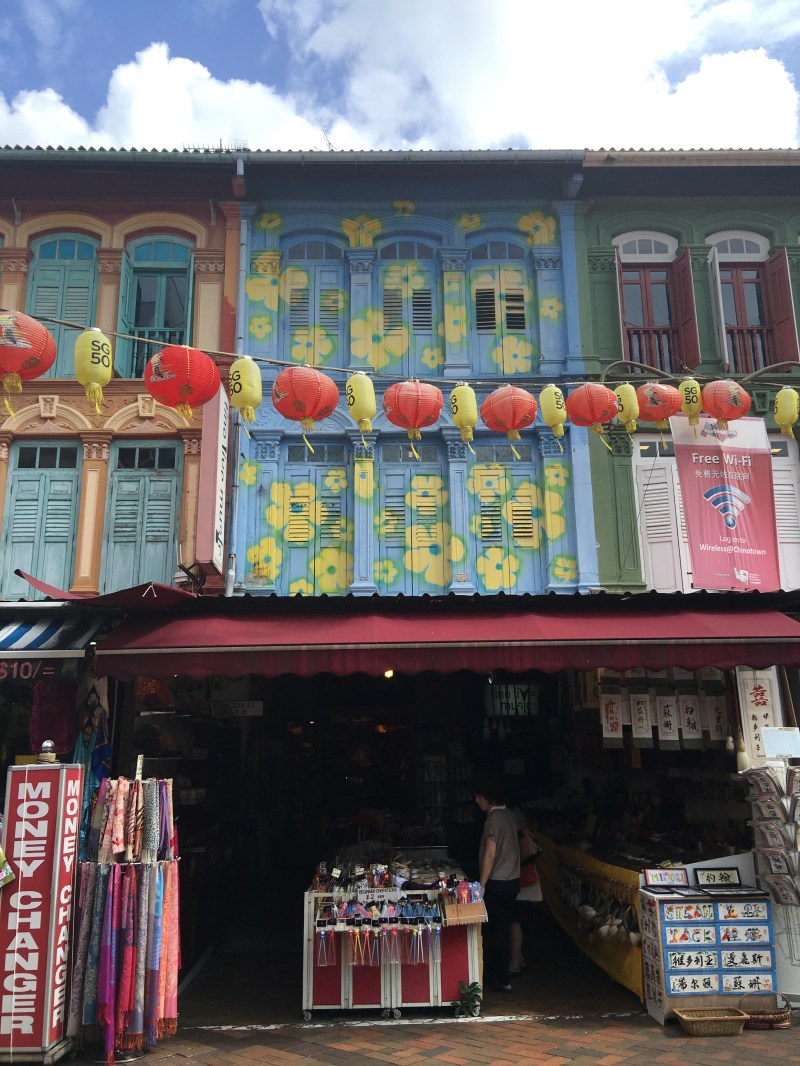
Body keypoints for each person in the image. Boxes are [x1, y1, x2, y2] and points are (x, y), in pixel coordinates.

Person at [475, 774, 520, 992]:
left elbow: (490, 854)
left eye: (480, 796)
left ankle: (501, 978)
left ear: (489, 797)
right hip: (513, 880)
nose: (477, 800)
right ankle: (505, 971)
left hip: (497, 882)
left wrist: (481, 884)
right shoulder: (510, 815)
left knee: (496, 931)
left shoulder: (493, 819)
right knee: (507, 925)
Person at [508, 803, 542, 975]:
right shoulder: (525, 833)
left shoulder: (519, 834)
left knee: (514, 921)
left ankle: (515, 962)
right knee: (516, 921)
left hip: (522, 884)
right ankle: (519, 958)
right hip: (525, 883)